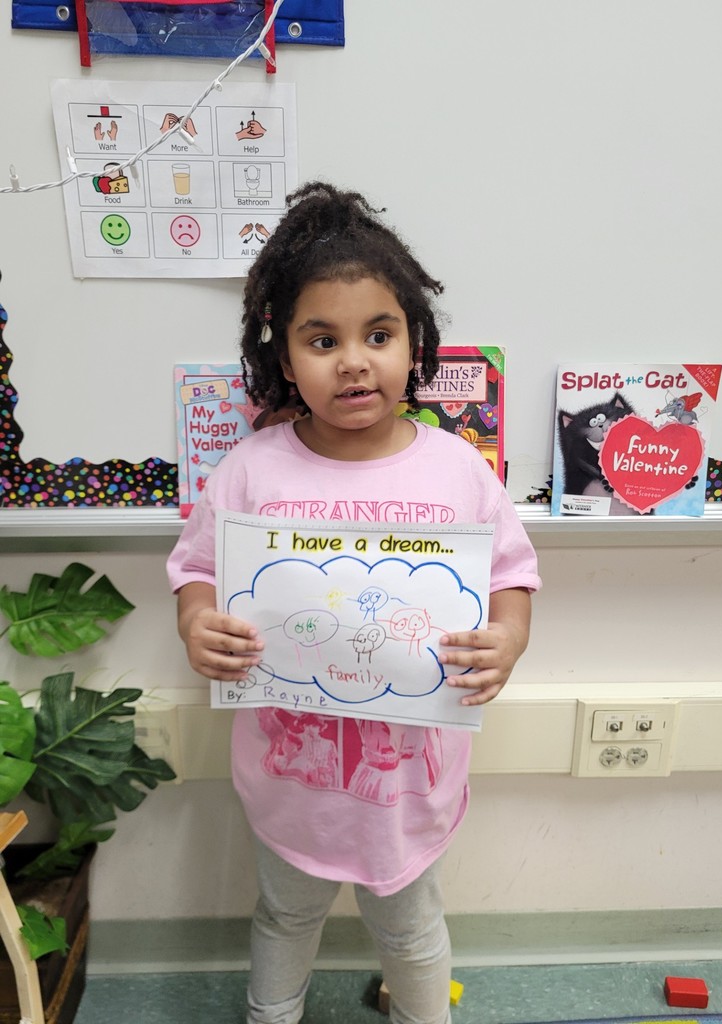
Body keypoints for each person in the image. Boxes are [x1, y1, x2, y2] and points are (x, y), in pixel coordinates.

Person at [166, 181, 542, 1024]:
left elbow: (513, 575)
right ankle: (273, 1014)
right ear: (283, 354)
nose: (352, 361)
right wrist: (196, 621)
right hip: (289, 777)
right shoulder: (253, 468)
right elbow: (193, 566)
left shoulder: (457, 469)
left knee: (412, 931)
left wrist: (507, 640)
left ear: (417, 344)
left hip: (409, 786)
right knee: (285, 914)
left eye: (378, 334)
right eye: (321, 339)